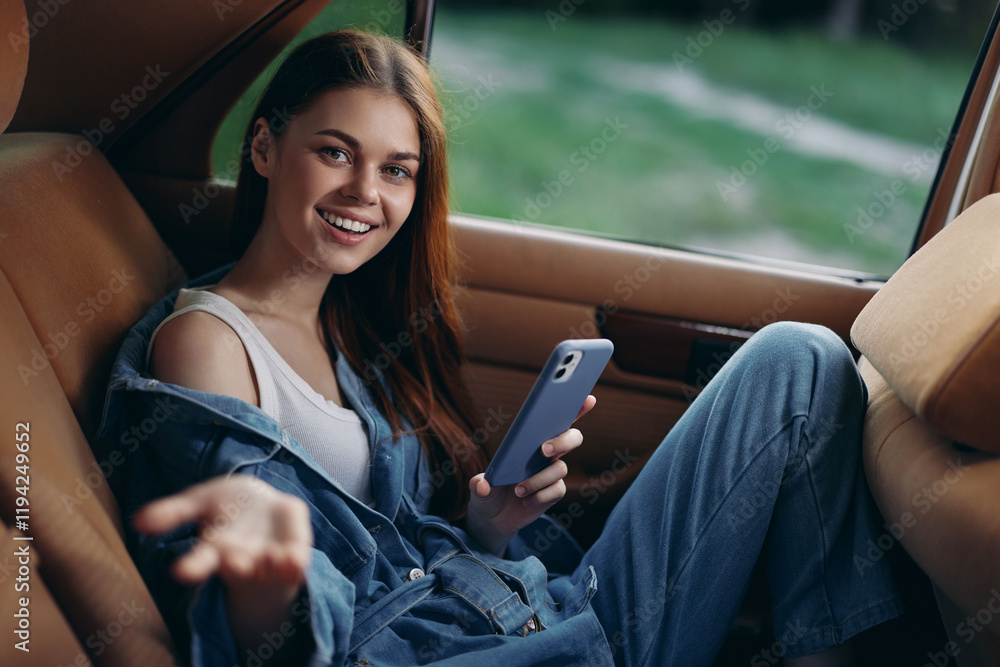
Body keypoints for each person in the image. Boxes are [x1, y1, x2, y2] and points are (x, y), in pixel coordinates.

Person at [96, 30, 903, 667]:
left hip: (525, 607)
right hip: (470, 648)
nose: (364, 194)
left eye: (397, 170)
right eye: (335, 152)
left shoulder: (348, 329)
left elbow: (394, 544)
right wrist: (268, 567)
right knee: (799, 365)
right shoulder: (206, 342)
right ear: (266, 148)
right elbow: (269, 613)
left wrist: (486, 524)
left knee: (800, 361)